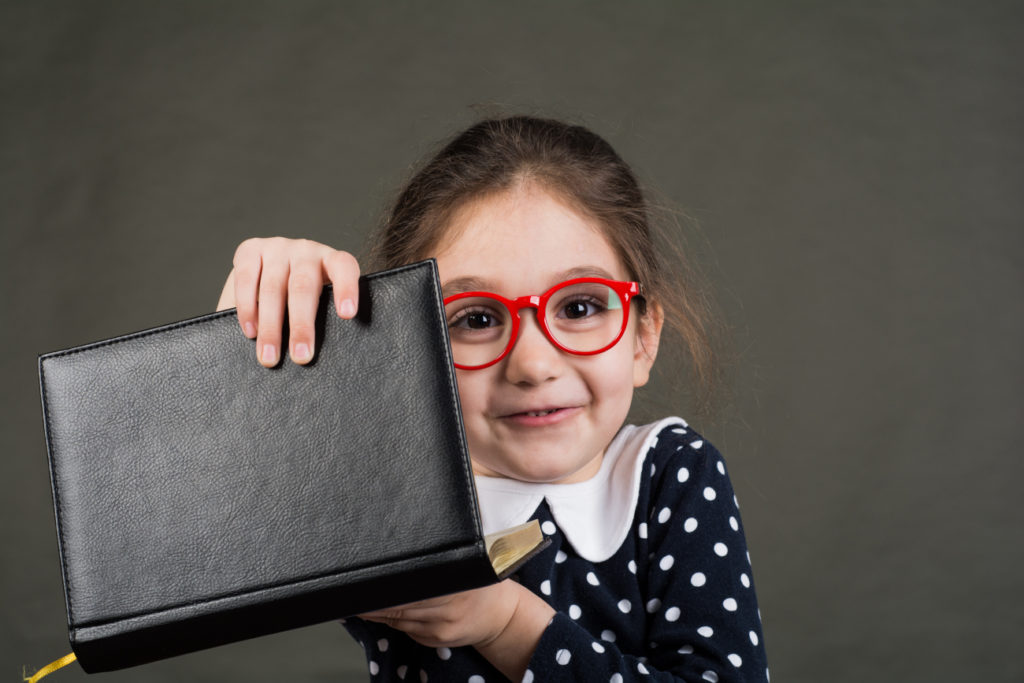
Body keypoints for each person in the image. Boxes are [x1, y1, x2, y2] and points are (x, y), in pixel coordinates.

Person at [215, 116, 769, 682]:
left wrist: (508, 623)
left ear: (643, 338)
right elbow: (241, 517)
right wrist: (251, 338)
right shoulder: (395, 491)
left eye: (579, 308)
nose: (532, 365)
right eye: (476, 319)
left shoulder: (672, 476)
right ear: (411, 355)